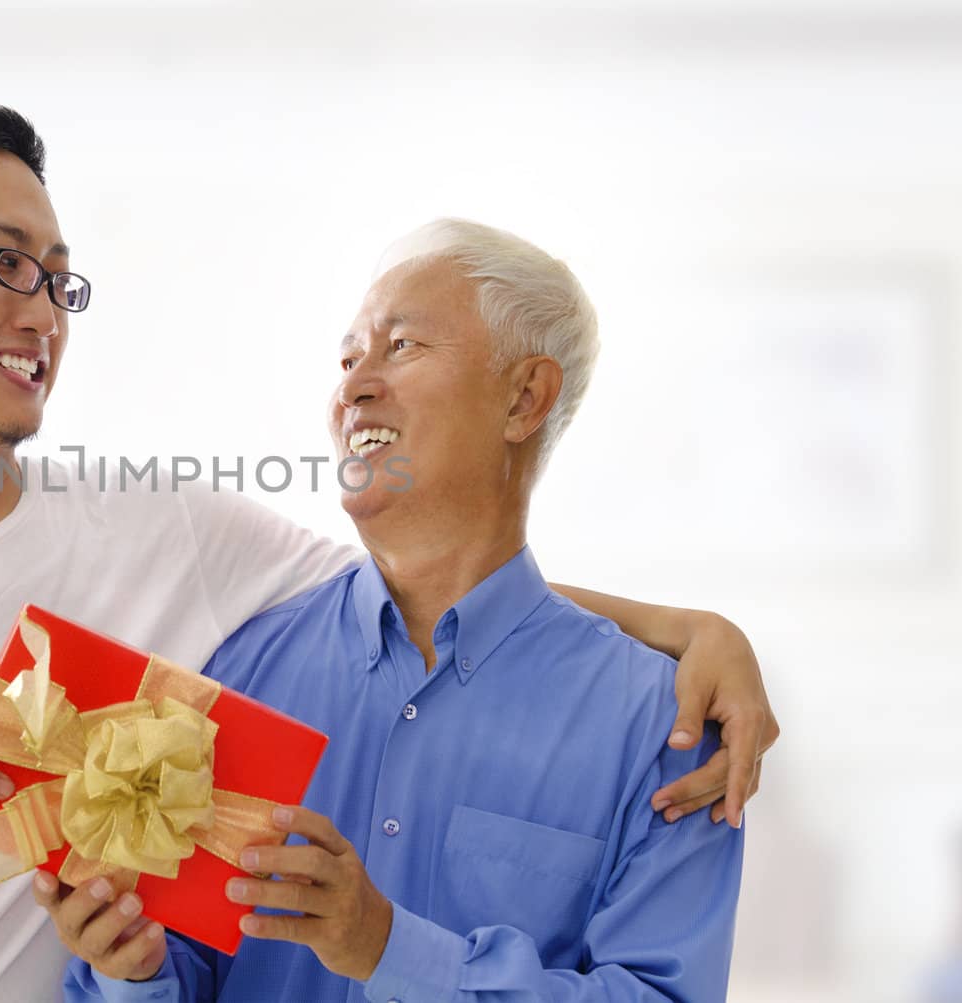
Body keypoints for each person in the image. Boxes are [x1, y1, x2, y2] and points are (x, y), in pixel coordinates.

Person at [0, 104, 776, 1002]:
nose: (41, 306)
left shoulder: (169, 541)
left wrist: (687, 631)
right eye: (2, 264)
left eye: (59, 279)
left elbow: (429, 582)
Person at [51, 219, 746, 1001]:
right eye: (348, 358)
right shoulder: (236, 673)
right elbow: (181, 964)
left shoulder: (665, 725)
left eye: (402, 347)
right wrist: (132, 972)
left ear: (524, 398)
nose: (352, 387)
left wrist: (391, 949)